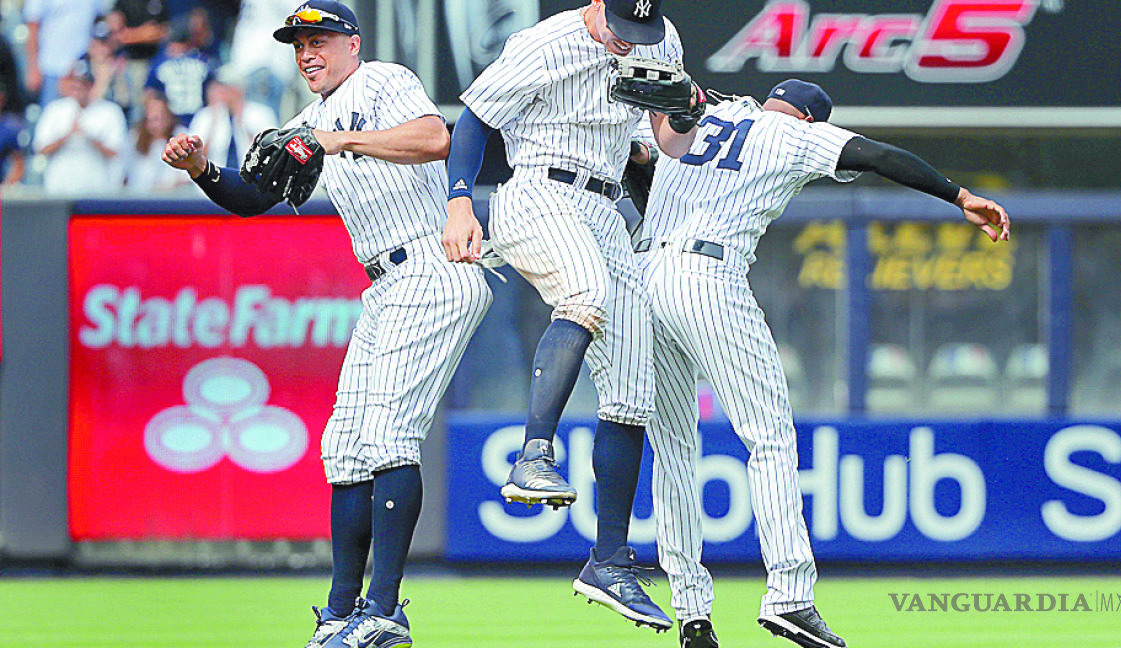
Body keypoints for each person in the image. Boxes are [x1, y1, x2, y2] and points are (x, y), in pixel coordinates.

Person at [633, 79, 1010, 648]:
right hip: (705, 276)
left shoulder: (717, 111)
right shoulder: (791, 133)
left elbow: (638, 159)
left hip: (643, 275)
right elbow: (879, 156)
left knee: (674, 450)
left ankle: (691, 612)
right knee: (770, 438)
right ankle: (789, 595)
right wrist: (959, 196)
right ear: (811, 119)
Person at [161, 3, 492, 647]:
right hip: (388, 284)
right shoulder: (307, 119)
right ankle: (342, 614)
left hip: (433, 265)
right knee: (344, 447)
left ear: (352, 42)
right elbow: (255, 195)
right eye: (298, 43)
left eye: (320, 39)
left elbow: (435, 138)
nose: (307, 51)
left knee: (390, 437)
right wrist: (200, 169)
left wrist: (338, 140)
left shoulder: (382, 80)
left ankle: (386, 613)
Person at [441, 0, 701, 632]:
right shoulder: (548, 41)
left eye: (638, 31)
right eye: (620, 28)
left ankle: (608, 559)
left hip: (608, 206)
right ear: (597, 6)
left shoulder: (660, 40)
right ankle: (533, 453)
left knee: (636, 382)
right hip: (537, 192)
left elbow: (661, 144)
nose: (627, 41)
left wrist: (686, 115)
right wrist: (458, 201)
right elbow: (474, 117)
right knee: (582, 294)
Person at [32, 57, 129, 194]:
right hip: (59, 189)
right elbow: (41, 148)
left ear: (91, 85)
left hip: (96, 189)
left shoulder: (109, 111)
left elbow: (115, 151)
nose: (78, 89)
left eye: (83, 84)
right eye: (74, 83)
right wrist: (67, 135)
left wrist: (88, 136)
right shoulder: (55, 109)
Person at [187, 64, 278, 169]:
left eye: (226, 88)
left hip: (252, 178)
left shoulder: (261, 113)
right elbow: (195, 158)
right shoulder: (205, 116)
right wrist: (214, 122)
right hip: (215, 179)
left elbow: (270, 154)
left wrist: (242, 121)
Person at [21, 0, 106, 106]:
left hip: (84, 70)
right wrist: (33, 68)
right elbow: (33, 28)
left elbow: (101, 19)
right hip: (50, 69)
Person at [143, 15, 218, 126]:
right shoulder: (204, 60)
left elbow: (149, 93)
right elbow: (214, 91)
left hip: (171, 124)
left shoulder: (159, 63)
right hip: (200, 121)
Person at [123, 95, 188, 192]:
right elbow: (125, 172)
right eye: (150, 119)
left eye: (157, 118)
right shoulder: (134, 138)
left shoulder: (181, 137)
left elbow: (187, 177)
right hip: (140, 198)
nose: (154, 125)